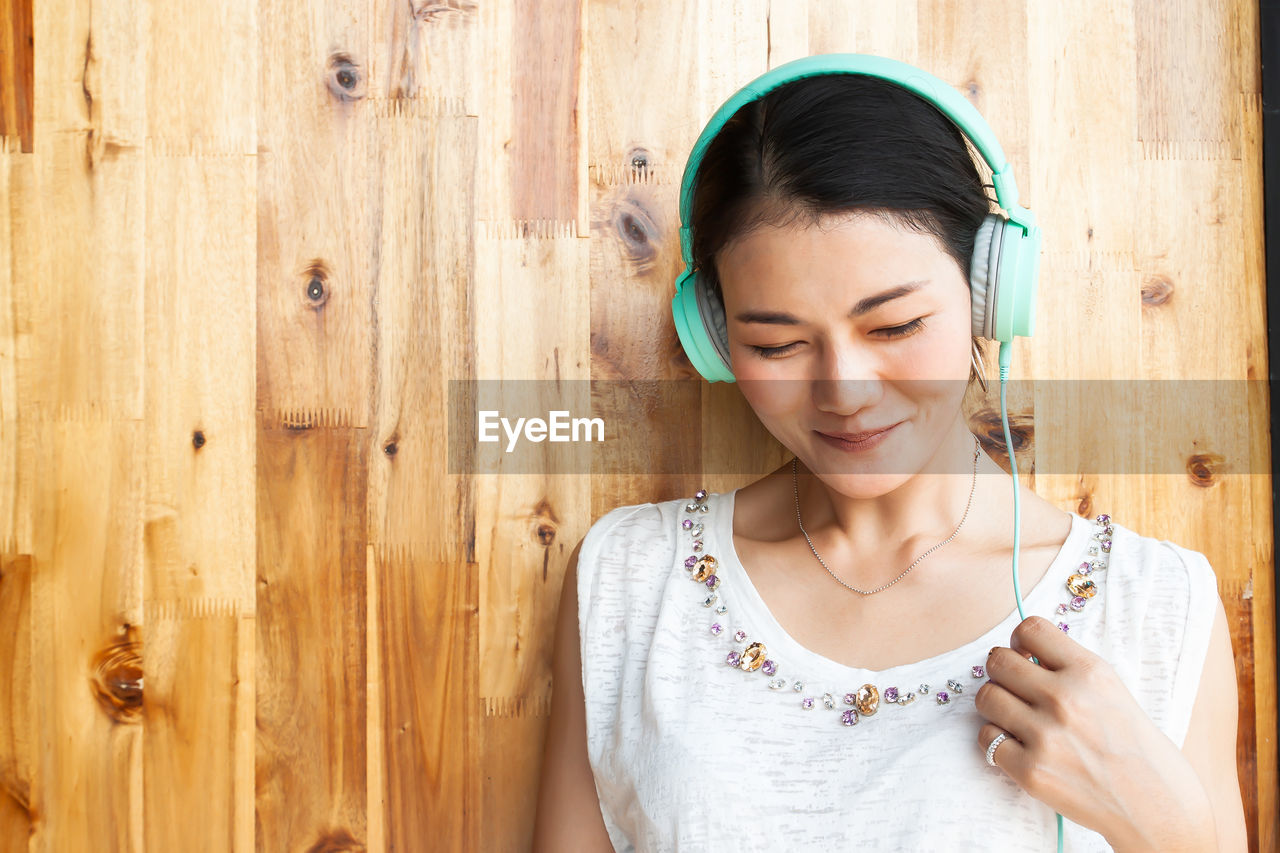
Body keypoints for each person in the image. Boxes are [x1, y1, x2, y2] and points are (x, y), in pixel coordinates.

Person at [533, 57, 1248, 852]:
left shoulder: (1154, 603)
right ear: (714, 338)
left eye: (895, 327)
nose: (844, 391)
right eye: (777, 342)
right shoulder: (633, 579)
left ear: (990, 293)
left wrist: (1170, 828)